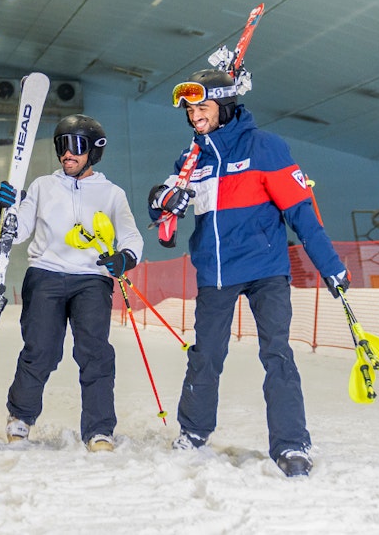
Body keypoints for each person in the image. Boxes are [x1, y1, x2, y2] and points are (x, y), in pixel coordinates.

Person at [150, 67, 350, 477]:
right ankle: (193, 430)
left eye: (202, 107)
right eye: (189, 109)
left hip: (265, 271)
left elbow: (301, 211)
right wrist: (163, 201)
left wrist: (330, 266)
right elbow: (161, 214)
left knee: (277, 354)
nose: (194, 116)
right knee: (205, 356)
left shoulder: (265, 148)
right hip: (215, 274)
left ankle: (292, 443)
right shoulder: (191, 160)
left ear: (224, 106)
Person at [0, 114, 143, 453]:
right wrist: (7, 211)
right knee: (41, 349)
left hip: (92, 278)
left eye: (76, 146)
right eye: (62, 145)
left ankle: (99, 430)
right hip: (45, 273)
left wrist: (126, 257)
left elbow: (131, 234)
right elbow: (17, 235)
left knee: (95, 353)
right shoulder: (43, 186)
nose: (67, 154)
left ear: (94, 151)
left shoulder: (112, 193)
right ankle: (20, 416)